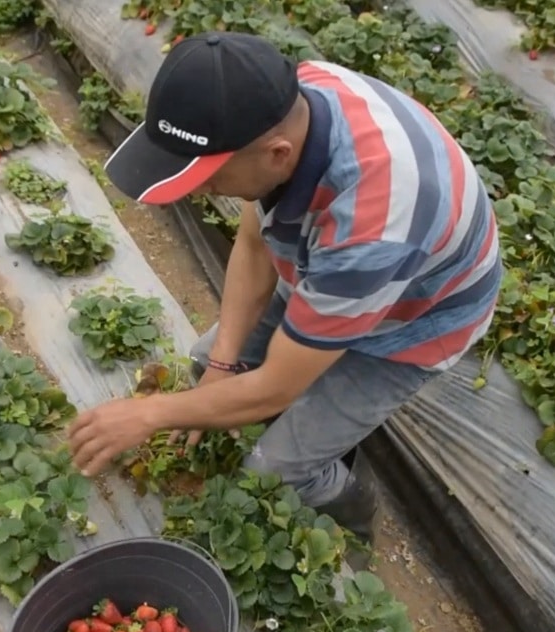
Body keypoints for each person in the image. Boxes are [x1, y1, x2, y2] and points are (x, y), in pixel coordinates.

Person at [66, 31, 502, 544]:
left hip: (408, 323)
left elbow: (278, 385)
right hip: (332, 273)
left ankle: (352, 512)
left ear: (277, 155)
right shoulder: (293, 96)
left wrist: (148, 414)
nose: (198, 190)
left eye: (207, 177)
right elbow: (255, 244)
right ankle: (305, 408)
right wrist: (225, 367)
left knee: (274, 474)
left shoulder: (373, 224)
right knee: (210, 363)